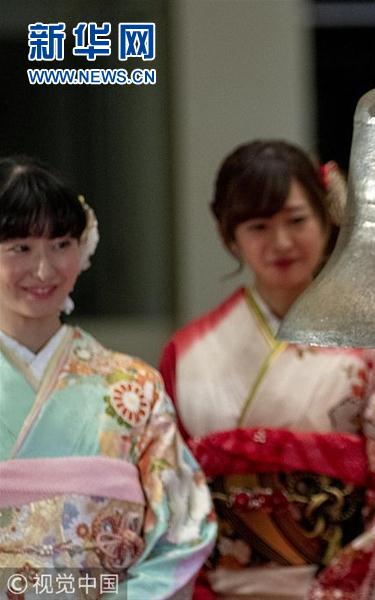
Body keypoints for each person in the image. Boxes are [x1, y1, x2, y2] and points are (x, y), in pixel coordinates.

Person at [159, 140, 375, 599]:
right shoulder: (187, 353)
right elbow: (168, 489)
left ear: (326, 216)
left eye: (296, 220)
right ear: (229, 235)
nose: (281, 242)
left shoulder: (369, 351)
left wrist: (339, 589)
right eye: (258, 226)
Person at [0, 156, 216, 598]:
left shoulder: (133, 388)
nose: (44, 269)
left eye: (61, 243)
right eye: (20, 247)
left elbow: (186, 525)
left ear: (83, 247)